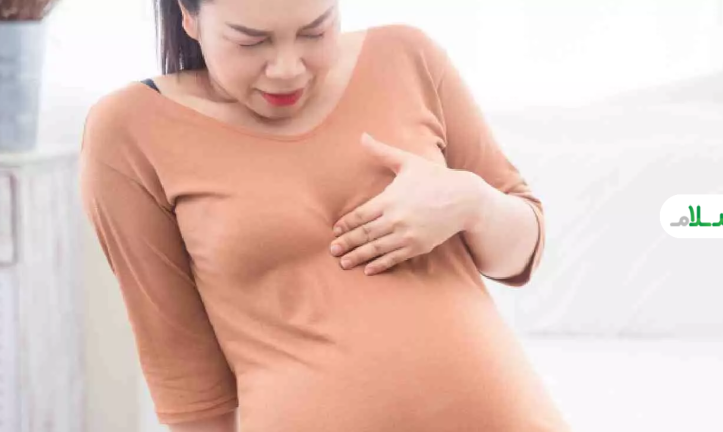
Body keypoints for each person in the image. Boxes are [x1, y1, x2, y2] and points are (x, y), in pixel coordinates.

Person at [78, 0, 572, 431]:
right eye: (252, 41)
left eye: (315, 31)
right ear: (189, 17)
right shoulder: (130, 131)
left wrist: (471, 202)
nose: (287, 68)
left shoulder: (408, 56)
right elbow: (185, 377)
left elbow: (522, 253)